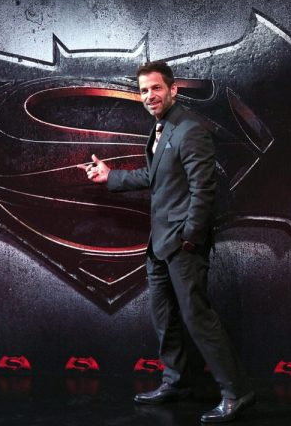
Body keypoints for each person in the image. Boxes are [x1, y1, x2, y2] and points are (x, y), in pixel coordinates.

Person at [77, 61, 254, 423]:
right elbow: (154, 177)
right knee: (164, 317)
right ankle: (175, 382)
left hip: (182, 246)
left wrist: (189, 239)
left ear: (173, 90)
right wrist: (110, 176)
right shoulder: (163, 128)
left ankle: (237, 392)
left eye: (156, 88)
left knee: (197, 318)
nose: (149, 96)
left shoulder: (190, 129)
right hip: (159, 245)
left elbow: (204, 190)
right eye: (143, 91)